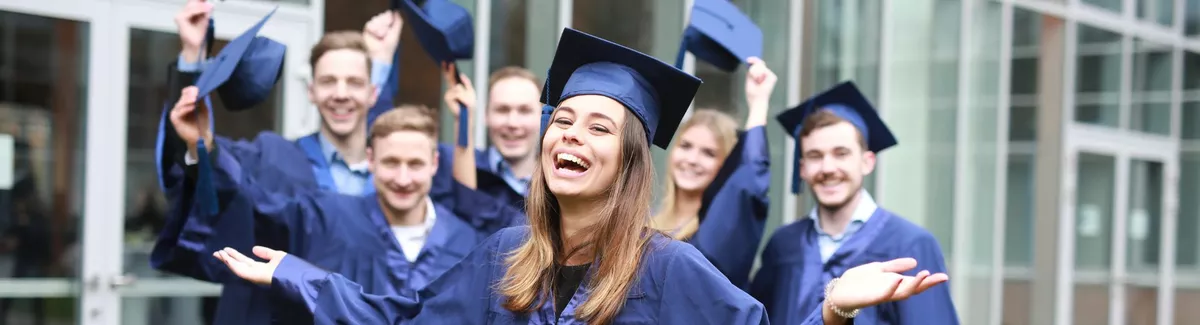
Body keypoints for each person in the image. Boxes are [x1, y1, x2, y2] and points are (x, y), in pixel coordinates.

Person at [210, 28, 950, 325]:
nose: (568, 134)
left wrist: (831, 312)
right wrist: (299, 275)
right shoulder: (504, 257)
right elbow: (401, 317)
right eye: (562, 120)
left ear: (629, 162)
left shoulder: (670, 271)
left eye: (599, 127)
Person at [750, 81, 960, 324]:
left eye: (841, 153)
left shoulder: (910, 244)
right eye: (815, 156)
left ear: (867, 162)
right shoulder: (783, 245)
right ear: (802, 169)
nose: (828, 168)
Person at [649, 57, 773, 290]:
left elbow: (750, 177)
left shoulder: (722, 229)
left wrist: (758, 104)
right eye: (685, 146)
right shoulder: (646, 220)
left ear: (725, 166)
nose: (692, 160)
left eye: (708, 153)